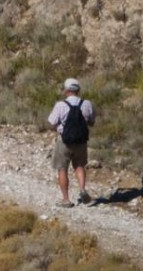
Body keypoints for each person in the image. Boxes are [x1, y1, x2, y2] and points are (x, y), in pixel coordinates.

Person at [47, 78, 96, 208]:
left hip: (64, 141)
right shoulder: (86, 104)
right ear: (78, 90)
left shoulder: (60, 105)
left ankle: (66, 200)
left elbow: (52, 123)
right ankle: (82, 190)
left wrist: (59, 128)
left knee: (62, 169)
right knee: (79, 166)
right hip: (81, 141)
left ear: (66, 90)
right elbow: (91, 122)